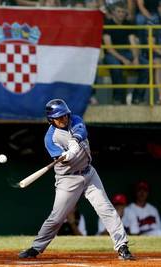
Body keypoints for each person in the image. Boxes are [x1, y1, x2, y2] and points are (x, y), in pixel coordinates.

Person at [19, 99, 134, 260]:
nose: (64, 119)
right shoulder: (50, 138)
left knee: (106, 209)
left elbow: (80, 132)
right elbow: (65, 160)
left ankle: (122, 247)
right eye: (59, 118)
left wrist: (74, 143)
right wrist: (67, 155)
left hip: (89, 173)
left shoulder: (76, 120)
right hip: (68, 180)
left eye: (65, 115)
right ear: (51, 120)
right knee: (57, 217)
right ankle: (36, 248)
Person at [103, 2, 148, 104]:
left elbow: (133, 44)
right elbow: (109, 48)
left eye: (123, 12)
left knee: (145, 65)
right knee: (116, 66)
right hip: (112, 54)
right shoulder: (107, 24)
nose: (121, 14)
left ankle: (137, 98)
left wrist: (136, 58)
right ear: (113, 12)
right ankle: (118, 98)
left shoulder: (128, 24)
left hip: (127, 53)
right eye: (118, 11)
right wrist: (124, 60)